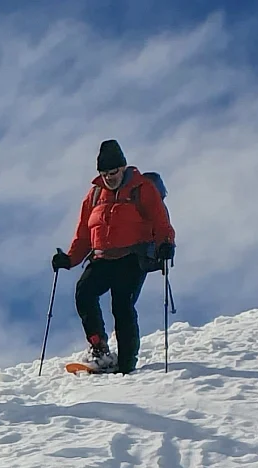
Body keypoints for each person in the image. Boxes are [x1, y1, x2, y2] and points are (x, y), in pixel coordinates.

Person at [52, 140, 175, 374]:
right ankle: (99, 348)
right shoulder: (94, 195)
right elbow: (84, 234)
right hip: (102, 258)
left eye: (113, 172)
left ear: (123, 167)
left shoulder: (143, 188)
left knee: (122, 305)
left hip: (132, 256)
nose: (109, 177)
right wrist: (69, 259)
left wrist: (166, 244)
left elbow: (160, 221)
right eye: (104, 173)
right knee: (84, 292)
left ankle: (127, 363)